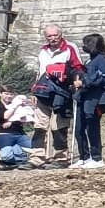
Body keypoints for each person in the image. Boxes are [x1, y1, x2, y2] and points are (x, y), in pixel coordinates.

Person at [33, 24, 82, 162]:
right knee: (39, 125)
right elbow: (40, 71)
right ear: (45, 37)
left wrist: (76, 83)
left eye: (55, 35)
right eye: (49, 36)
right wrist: (34, 90)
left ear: (61, 35)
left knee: (58, 126)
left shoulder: (70, 48)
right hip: (43, 92)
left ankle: (61, 157)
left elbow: (78, 67)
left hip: (62, 92)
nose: (53, 38)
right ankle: (36, 158)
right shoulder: (43, 51)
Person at [73, 33, 105, 171]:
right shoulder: (89, 60)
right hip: (83, 96)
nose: (83, 46)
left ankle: (97, 158)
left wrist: (85, 82)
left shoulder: (102, 59)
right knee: (79, 128)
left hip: (95, 98)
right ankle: (84, 157)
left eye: (86, 43)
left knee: (92, 128)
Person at [0, 88, 43, 169]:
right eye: (6, 93)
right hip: (3, 134)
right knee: (6, 155)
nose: (8, 96)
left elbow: (25, 118)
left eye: (11, 94)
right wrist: (15, 108)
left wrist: (12, 121)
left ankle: (17, 154)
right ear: (0, 94)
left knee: (35, 150)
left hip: (20, 133)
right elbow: (4, 116)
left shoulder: (19, 104)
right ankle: (19, 156)